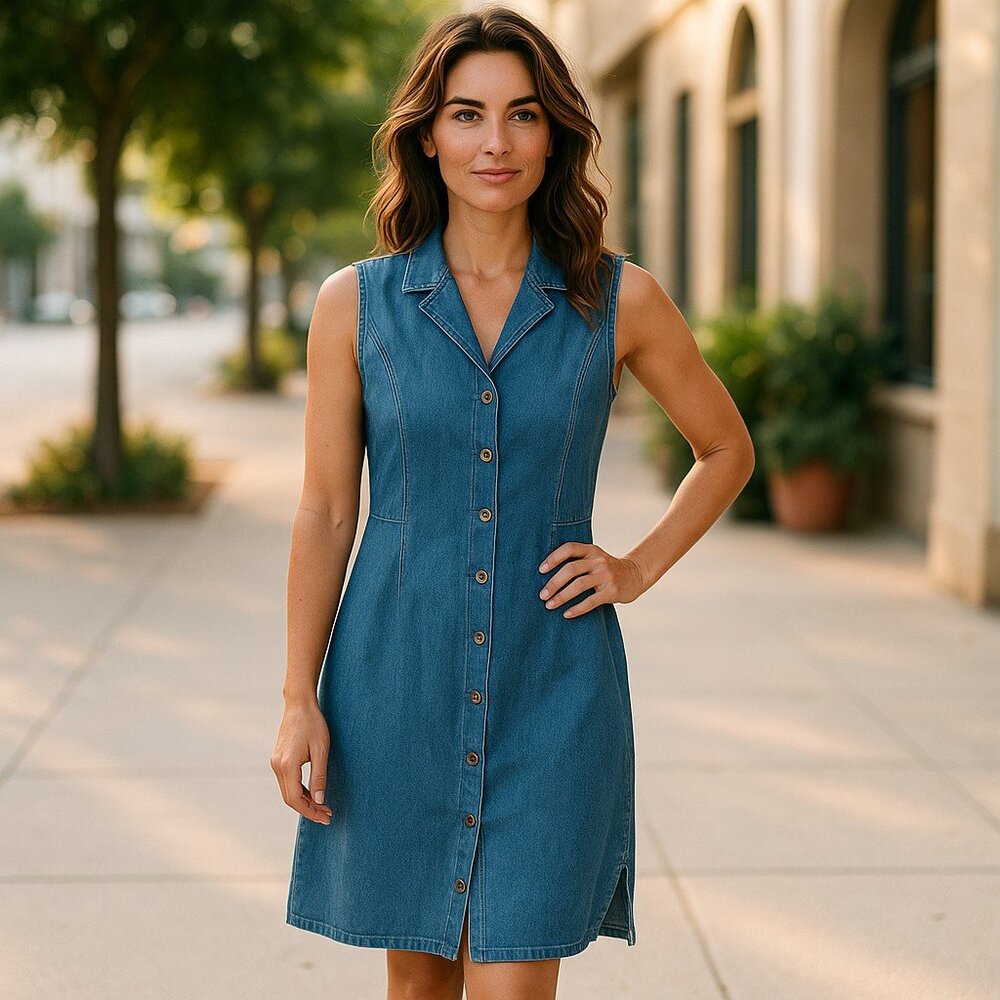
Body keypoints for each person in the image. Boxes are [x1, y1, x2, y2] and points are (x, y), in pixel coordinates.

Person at [270, 5, 754, 999]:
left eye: (523, 115)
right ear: (426, 134)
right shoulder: (352, 306)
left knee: (512, 986)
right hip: (393, 679)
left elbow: (724, 448)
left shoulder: (621, 301)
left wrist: (636, 564)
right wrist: (296, 696)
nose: (495, 142)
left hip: (553, 687)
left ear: (556, 133)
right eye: (466, 114)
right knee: (419, 985)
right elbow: (324, 509)